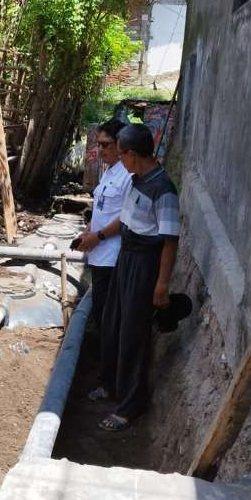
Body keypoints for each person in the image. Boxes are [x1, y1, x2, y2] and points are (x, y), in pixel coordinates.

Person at [87, 123, 180, 432]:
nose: (115, 159)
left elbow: (169, 241)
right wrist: (97, 236)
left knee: (132, 335)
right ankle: (112, 385)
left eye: (118, 152)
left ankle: (130, 405)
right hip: (125, 259)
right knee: (113, 324)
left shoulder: (163, 190)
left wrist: (162, 284)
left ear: (130, 153)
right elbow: (124, 221)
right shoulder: (138, 180)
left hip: (144, 264)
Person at [74, 119, 130, 330]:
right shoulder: (109, 171)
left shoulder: (129, 175)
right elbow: (103, 208)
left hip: (113, 258)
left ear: (120, 145)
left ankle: (107, 359)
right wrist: (88, 230)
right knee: (100, 312)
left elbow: (126, 217)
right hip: (99, 255)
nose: (100, 149)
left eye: (105, 144)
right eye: (99, 143)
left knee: (109, 316)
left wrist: (98, 237)